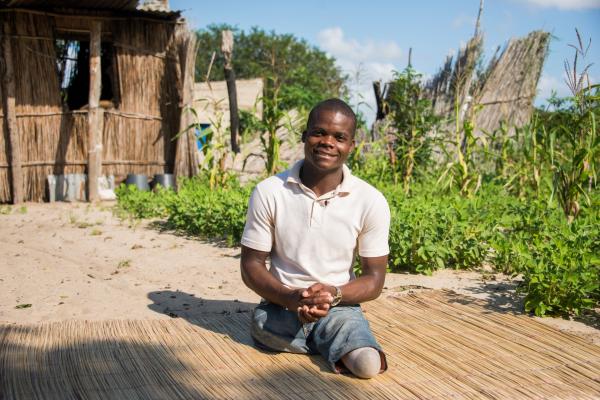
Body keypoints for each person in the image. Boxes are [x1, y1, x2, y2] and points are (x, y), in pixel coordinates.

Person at [240, 98, 391, 379]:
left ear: (351, 146)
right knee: (263, 326)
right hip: (281, 306)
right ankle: (329, 343)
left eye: (339, 137)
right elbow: (251, 265)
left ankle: (323, 337)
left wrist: (333, 295)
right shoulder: (269, 191)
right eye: (319, 133)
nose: (327, 142)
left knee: (368, 366)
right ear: (304, 136)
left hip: (339, 307)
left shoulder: (370, 201)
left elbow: (374, 279)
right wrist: (291, 297)